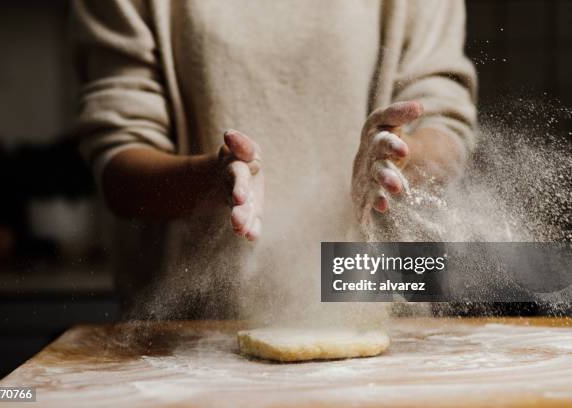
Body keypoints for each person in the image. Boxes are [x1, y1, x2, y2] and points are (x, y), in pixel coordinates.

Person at [72, 0, 477, 317]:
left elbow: (443, 119)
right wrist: (213, 180)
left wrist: (398, 157)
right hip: (194, 326)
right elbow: (118, 166)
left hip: (374, 293)